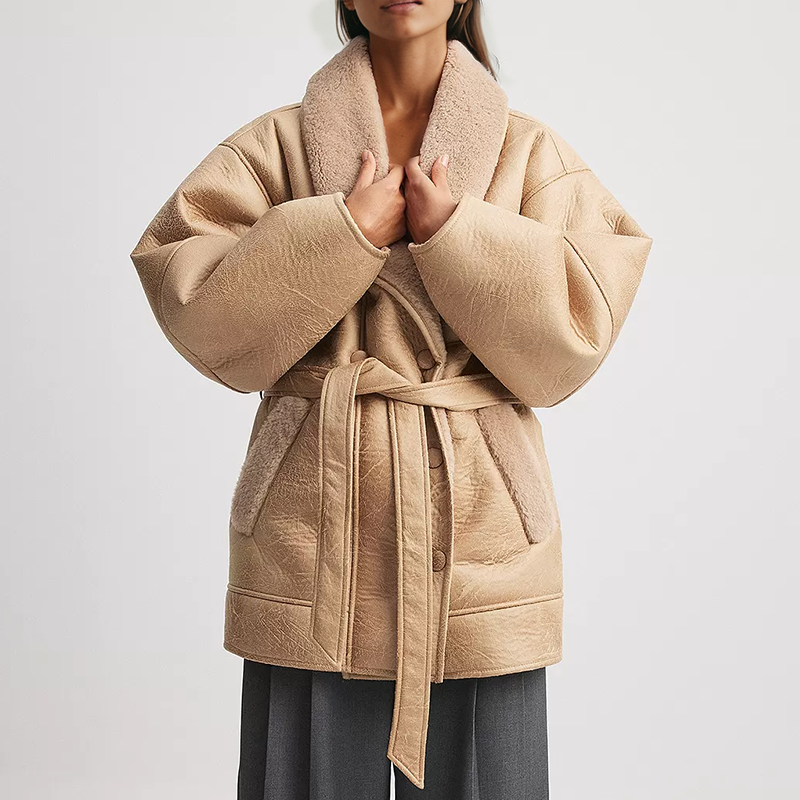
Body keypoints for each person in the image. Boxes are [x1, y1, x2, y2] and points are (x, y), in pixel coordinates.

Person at [128, 1, 653, 797]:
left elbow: (576, 336)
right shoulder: (273, 147)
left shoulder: (529, 152)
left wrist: (457, 235)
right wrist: (342, 232)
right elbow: (197, 306)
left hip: (480, 543)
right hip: (313, 533)